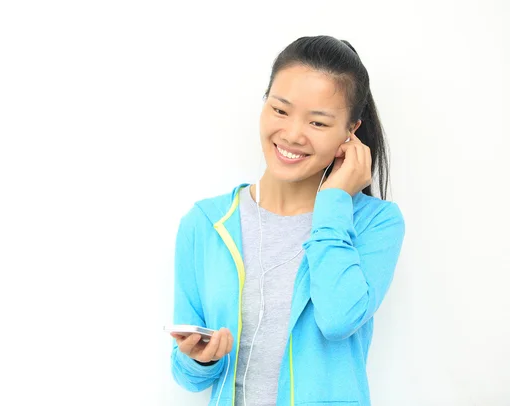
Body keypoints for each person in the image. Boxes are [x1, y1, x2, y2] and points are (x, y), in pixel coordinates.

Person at [169, 35, 406, 406]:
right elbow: (185, 373)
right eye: (280, 110)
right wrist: (202, 358)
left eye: (318, 122)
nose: (293, 134)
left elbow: (338, 319)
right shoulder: (206, 223)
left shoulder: (375, 223)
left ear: (351, 131)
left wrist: (333, 202)